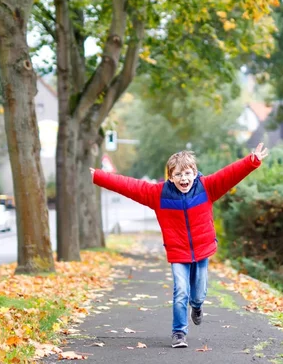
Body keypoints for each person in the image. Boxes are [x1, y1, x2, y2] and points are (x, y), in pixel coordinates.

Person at [90, 143, 269, 348]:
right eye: (178, 175)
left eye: (187, 173)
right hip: (178, 252)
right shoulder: (158, 194)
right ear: (170, 177)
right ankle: (179, 333)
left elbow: (230, 174)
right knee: (181, 291)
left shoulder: (207, 187)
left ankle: (198, 306)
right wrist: (99, 176)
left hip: (202, 250)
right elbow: (129, 185)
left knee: (199, 294)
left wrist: (251, 161)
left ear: (194, 173)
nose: (183, 178)